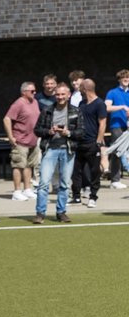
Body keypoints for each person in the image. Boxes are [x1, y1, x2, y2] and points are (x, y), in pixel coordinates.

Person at [33, 82, 79, 224]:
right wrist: (49, 131)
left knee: (64, 184)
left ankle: (61, 212)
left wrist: (68, 133)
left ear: (68, 95)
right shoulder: (47, 110)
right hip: (50, 149)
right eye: (57, 94)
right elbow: (37, 130)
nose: (60, 97)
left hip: (68, 149)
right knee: (43, 183)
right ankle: (40, 213)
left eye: (62, 94)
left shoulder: (76, 111)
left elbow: (82, 132)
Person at [3, 83, 41, 202]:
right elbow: (7, 119)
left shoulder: (34, 102)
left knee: (29, 165)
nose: (34, 93)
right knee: (18, 165)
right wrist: (10, 136)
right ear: (24, 92)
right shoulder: (18, 103)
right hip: (20, 140)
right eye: (32, 91)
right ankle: (17, 191)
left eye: (35, 91)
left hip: (33, 139)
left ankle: (27, 189)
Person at [74, 78, 107, 208]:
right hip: (79, 143)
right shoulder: (81, 104)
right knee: (76, 171)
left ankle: (93, 197)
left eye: (80, 87)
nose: (78, 90)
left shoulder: (99, 104)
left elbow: (103, 123)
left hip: (92, 143)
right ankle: (76, 196)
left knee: (94, 172)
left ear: (85, 88)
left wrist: (98, 141)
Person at [105, 70, 129, 189]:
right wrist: (122, 107)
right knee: (118, 152)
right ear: (119, 79)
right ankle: (115, 180)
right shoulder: (112, 92)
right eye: (123, 77)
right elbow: (107, 107)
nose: (126, 79)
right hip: (117, 126)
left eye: (128, 77)